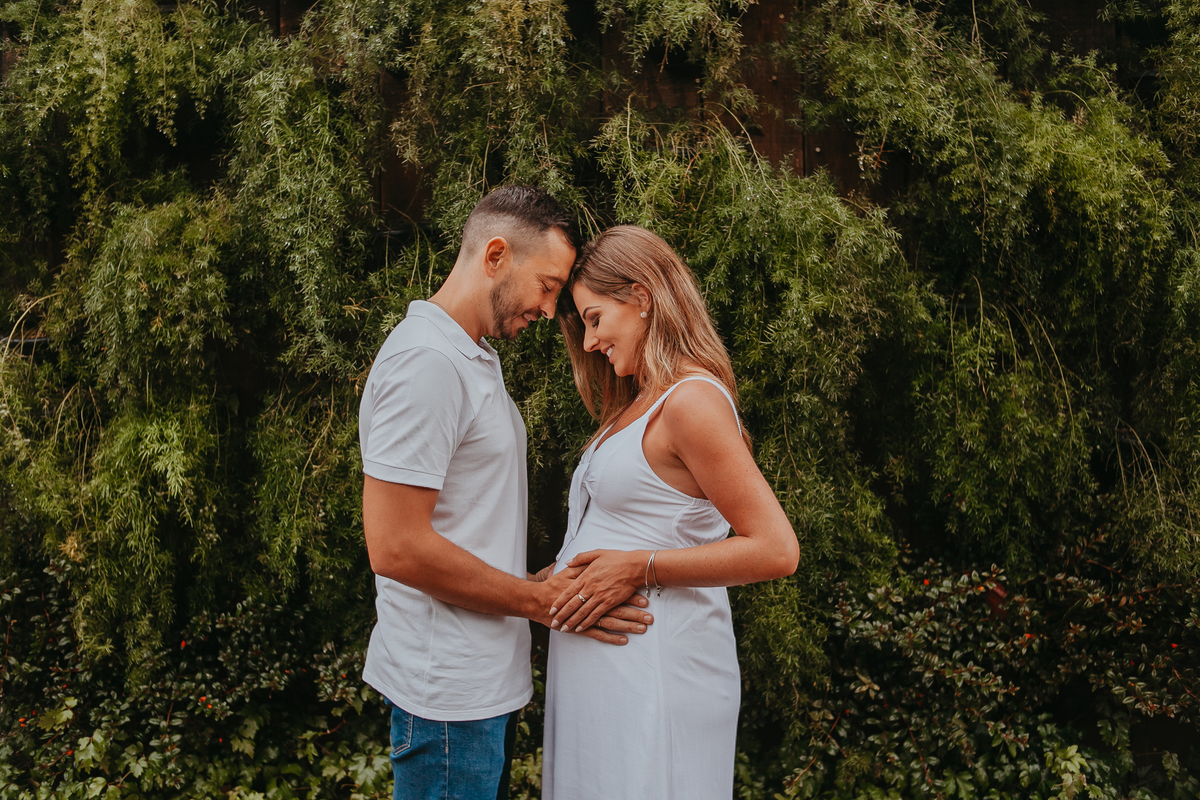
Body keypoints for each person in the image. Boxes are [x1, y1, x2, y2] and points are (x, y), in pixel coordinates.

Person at [359, 188, 654, 800]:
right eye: (547, 286)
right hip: (446, 700)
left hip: (480, 688)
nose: (551, 311)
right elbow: (396, 547)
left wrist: (550, 580)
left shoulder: (471, 358)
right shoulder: (427, 364)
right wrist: (535, 601)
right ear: (496, 255)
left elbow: (462, 523)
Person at [540, 224, 800, 799]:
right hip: (605, 678)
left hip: (658, 669)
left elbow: (776, 548)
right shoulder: (637, 404)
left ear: (641, 297)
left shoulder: (691, 402)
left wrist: (639, 568)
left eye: (594, 319)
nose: (589, 344)